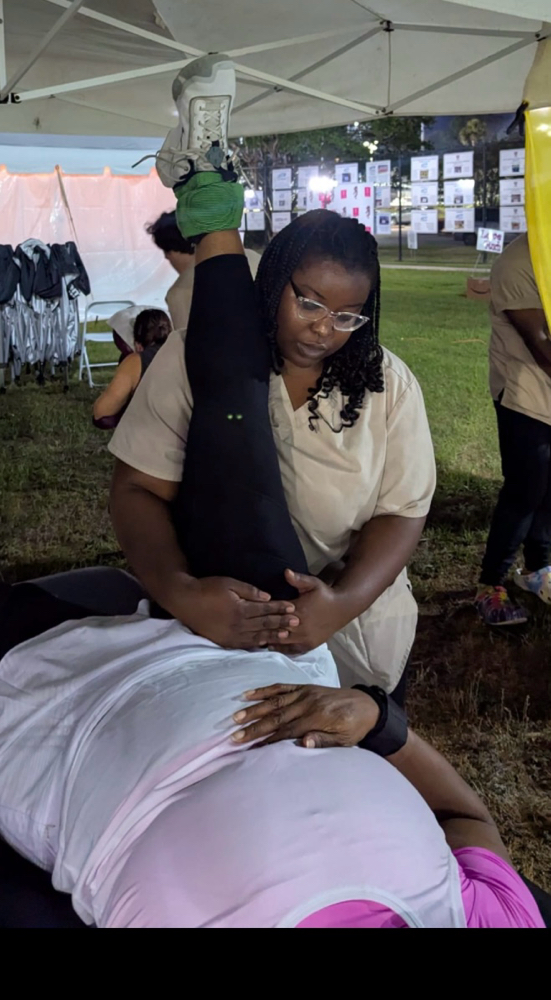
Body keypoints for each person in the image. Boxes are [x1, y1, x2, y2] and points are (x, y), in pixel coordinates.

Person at [0, 485, 543, 929]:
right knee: (231, 572)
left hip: (85, 740)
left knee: (29, 632)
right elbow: (465, 817)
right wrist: (380, 721)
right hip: (269, 684)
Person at [110, 59, 435, 700]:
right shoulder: (198, 360)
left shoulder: (386, 384)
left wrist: (339, 602)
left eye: (346, 316)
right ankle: (208, 182)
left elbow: (402, 513)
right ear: (273, 281)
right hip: (227, 629)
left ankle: (205, 177)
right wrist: (181, 592)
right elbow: (135, 491)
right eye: (308, 302)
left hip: (353, 635)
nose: (322, 328)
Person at [475, 234, 551, 626]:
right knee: (525, 491)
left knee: (548, 488)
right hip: (525, 397)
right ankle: (491, 585)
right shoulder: (516, 262)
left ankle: (539, 568)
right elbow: (541, 343)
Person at [146, 210, 260, 329]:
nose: (166, 257)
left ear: (173, 250)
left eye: (167, 252)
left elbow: (186, 343)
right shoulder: (252, 259)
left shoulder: (181, 291)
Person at [92, 309, 172, 429]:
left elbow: (101, 412)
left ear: (138, 345)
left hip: (150, 439)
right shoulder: (188, 354)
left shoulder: (136, 362)